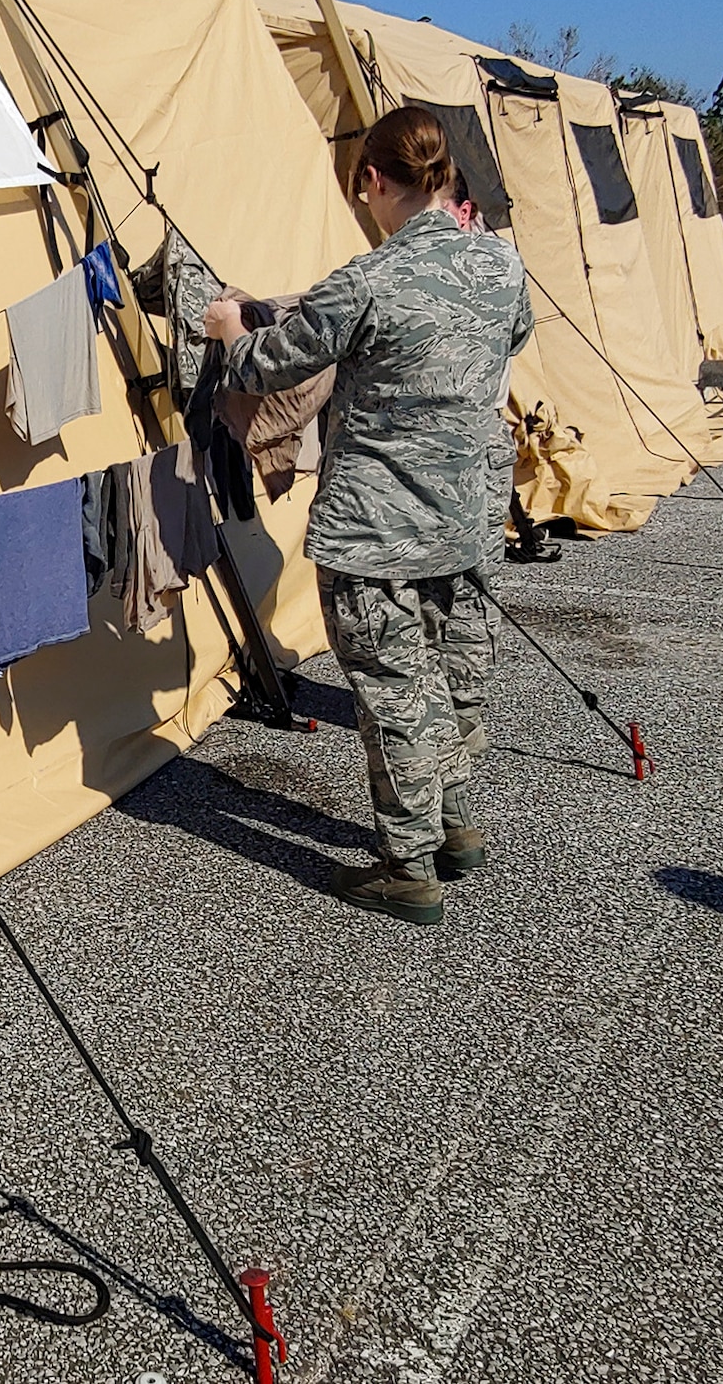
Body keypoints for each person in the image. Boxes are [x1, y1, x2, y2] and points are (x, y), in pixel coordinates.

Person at [203, 105, 533, 926]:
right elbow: (513, 337)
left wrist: (224, 329)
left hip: (374, 530)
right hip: (461, 521)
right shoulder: (501, 269)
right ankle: (453, 826)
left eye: (364, 191)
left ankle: (407, 865)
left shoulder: (367, 280)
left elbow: (271, 361)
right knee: (445, 677)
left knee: (391, 689)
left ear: (377, 181)